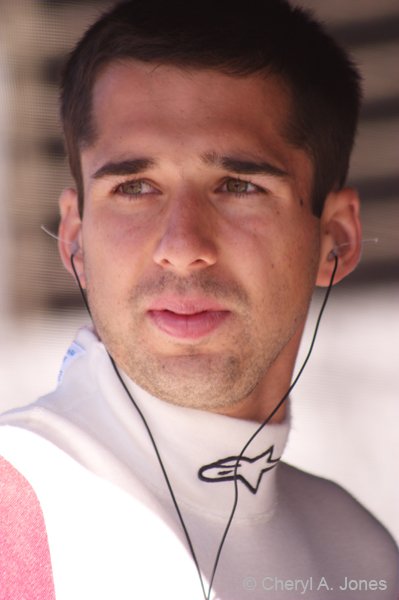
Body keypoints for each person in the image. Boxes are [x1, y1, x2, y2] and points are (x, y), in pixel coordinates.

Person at [0, 1, 397, 598]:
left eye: (239, 186)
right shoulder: (15, 514)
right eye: (134, 187)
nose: (182, 247)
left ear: (334, 238)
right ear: (76, 238)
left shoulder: (361, 555)